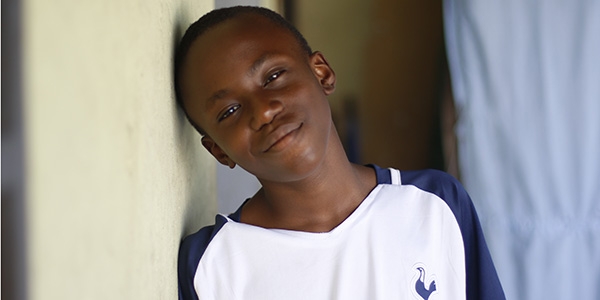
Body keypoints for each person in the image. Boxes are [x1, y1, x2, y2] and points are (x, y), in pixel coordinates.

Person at [175, 6, 504, 300]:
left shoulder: (434, 204)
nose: (262, 112)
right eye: (229, 111)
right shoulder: (211, 267)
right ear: (219, 151)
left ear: (322, 73)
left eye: (273, 76)